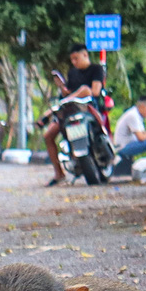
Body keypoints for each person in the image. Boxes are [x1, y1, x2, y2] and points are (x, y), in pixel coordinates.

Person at [43, 45, 106, 186]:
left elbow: (94, 92)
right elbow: (68, 92)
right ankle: (59, 173)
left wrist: (70, 97)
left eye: (76, 58)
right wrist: (61, 87)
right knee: (48, 135)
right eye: (72, 59)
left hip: (88, 109)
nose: (74, 62)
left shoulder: (96, 69)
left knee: (84, 89)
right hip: (70, 112)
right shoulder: (72, 73)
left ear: (85, 55)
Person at [110, 97, 146, 177]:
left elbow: (143, 133)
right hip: (122, 147)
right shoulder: (133, 116)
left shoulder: (136, 114)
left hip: (127, 144)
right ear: (142, 107)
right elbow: (141, 137)